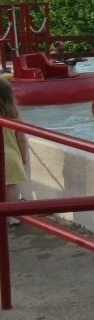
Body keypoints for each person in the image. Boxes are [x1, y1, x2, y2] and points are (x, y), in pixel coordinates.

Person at [0, 78, 29, 226]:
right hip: (10, 157)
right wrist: (23, 155)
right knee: (11, 187)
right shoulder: (13, 115)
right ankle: (14, 216)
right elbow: (22, 139)